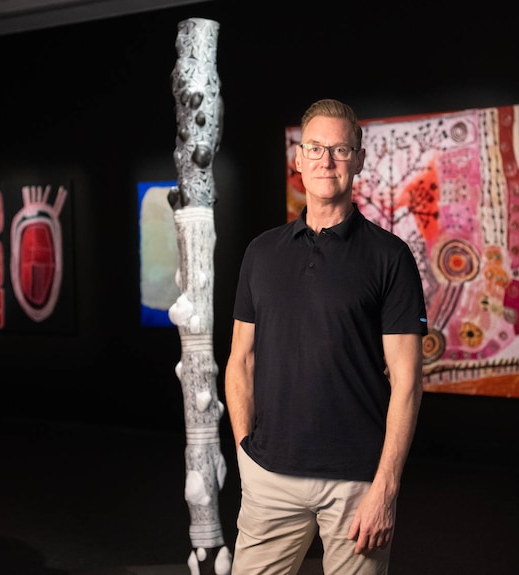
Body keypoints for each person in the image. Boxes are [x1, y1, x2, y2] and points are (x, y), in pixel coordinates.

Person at [224, 98, 428, 575]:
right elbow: (241, 361)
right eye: (315, 149)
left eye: (340, 150)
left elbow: (408, 380)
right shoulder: (261, 253)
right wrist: (245, 454)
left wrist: (385, 488)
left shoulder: (390, 257)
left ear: (358, 158)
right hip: (269, 476)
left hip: (357, 483)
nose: (326, 161)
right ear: (298, 158)